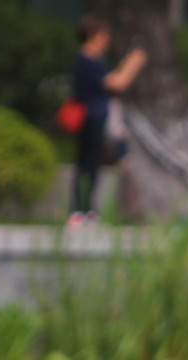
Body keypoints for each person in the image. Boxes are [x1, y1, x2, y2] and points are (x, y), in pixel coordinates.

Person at [70, 18, 146, 228]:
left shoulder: (93, 61)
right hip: (92, 117)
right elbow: (117, 83)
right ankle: (79, 210)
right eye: (103, 35)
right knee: (87, 163)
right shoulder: (88, 60)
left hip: (96, 116)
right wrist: (133, 63)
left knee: (92, 164)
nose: (107, 40)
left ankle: (86, 209)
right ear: (94, 35)